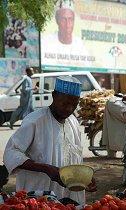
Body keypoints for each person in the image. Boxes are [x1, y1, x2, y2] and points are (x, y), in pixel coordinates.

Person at [3, 76, 96, 205]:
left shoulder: (73, 122)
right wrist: (46, 169)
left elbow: (75, 158)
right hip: (38, 199)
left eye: (74, 105)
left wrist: (85, 179)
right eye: (65, 103)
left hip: (68, 199)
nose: (69, 109)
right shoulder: (35, 120)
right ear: (54, 96)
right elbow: (11, 153)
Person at [41, 0, 92, 68]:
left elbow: (88, 66)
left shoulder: (80, 45)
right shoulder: (46, 42)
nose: (67, 24)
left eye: (70, 19)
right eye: (63, 19)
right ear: (57, 21)